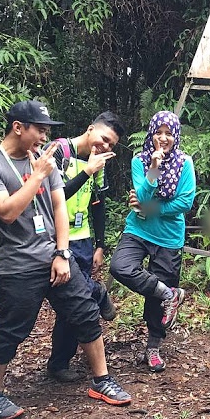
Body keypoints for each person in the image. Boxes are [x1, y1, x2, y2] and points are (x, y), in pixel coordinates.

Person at [0, 100, 131, 419]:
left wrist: (62, 252)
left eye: (47, 131)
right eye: (40, 130)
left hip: (53, 258)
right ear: (18, 127)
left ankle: (102, 380)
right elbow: (8, 212)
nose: (45, 137)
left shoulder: (44, 162)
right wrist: (37, 175)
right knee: (13, 329)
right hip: (17, 263)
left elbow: (59, 208)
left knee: (84, 311)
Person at [110, 111, 195, 373]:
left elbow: (185, 202)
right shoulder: (140, 161)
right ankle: (168, 294)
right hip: (138, 230)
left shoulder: (184, 163)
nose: (163, 138)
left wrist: (152, 207)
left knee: (156, 296)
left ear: (175, 136)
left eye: (169, 133)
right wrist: (154, 169)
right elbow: (141, 193)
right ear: (151, 133)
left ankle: (153, 347)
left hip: (169, 237)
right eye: (159, 132)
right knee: (120, 266)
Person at [46, 111, 126, 382]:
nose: (105, 146)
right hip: (55, 239)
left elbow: (98, 204)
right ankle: (99, 293)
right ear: (90, 128)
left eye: (111, 145)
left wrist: (100, 245)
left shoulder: (98, 163)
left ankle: (59, 363)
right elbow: (55, 195)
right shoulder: (58, 151)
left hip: (82, 239)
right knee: (77, 298)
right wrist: (88, 170)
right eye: (104, 138)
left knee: (73, 305)